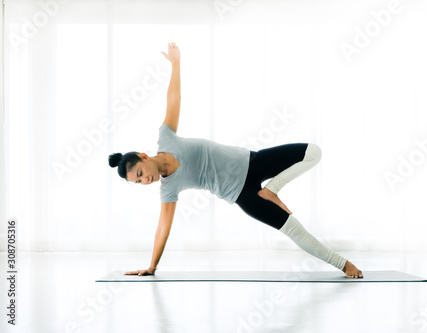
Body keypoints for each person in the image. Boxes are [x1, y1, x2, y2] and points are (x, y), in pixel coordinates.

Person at [108, 42, 363, 279]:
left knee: (313, 152)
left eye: (140, 174)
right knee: (293, 230)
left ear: (143, 157)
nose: (145, 181)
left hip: (253, 162)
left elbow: (174, 99)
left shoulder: (166, 138)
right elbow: (163, 228)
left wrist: (176, 64)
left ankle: (273, 190)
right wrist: (152, 267)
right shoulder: (168, 188)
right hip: (244, 195)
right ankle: (343, 264)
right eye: (139, 183)